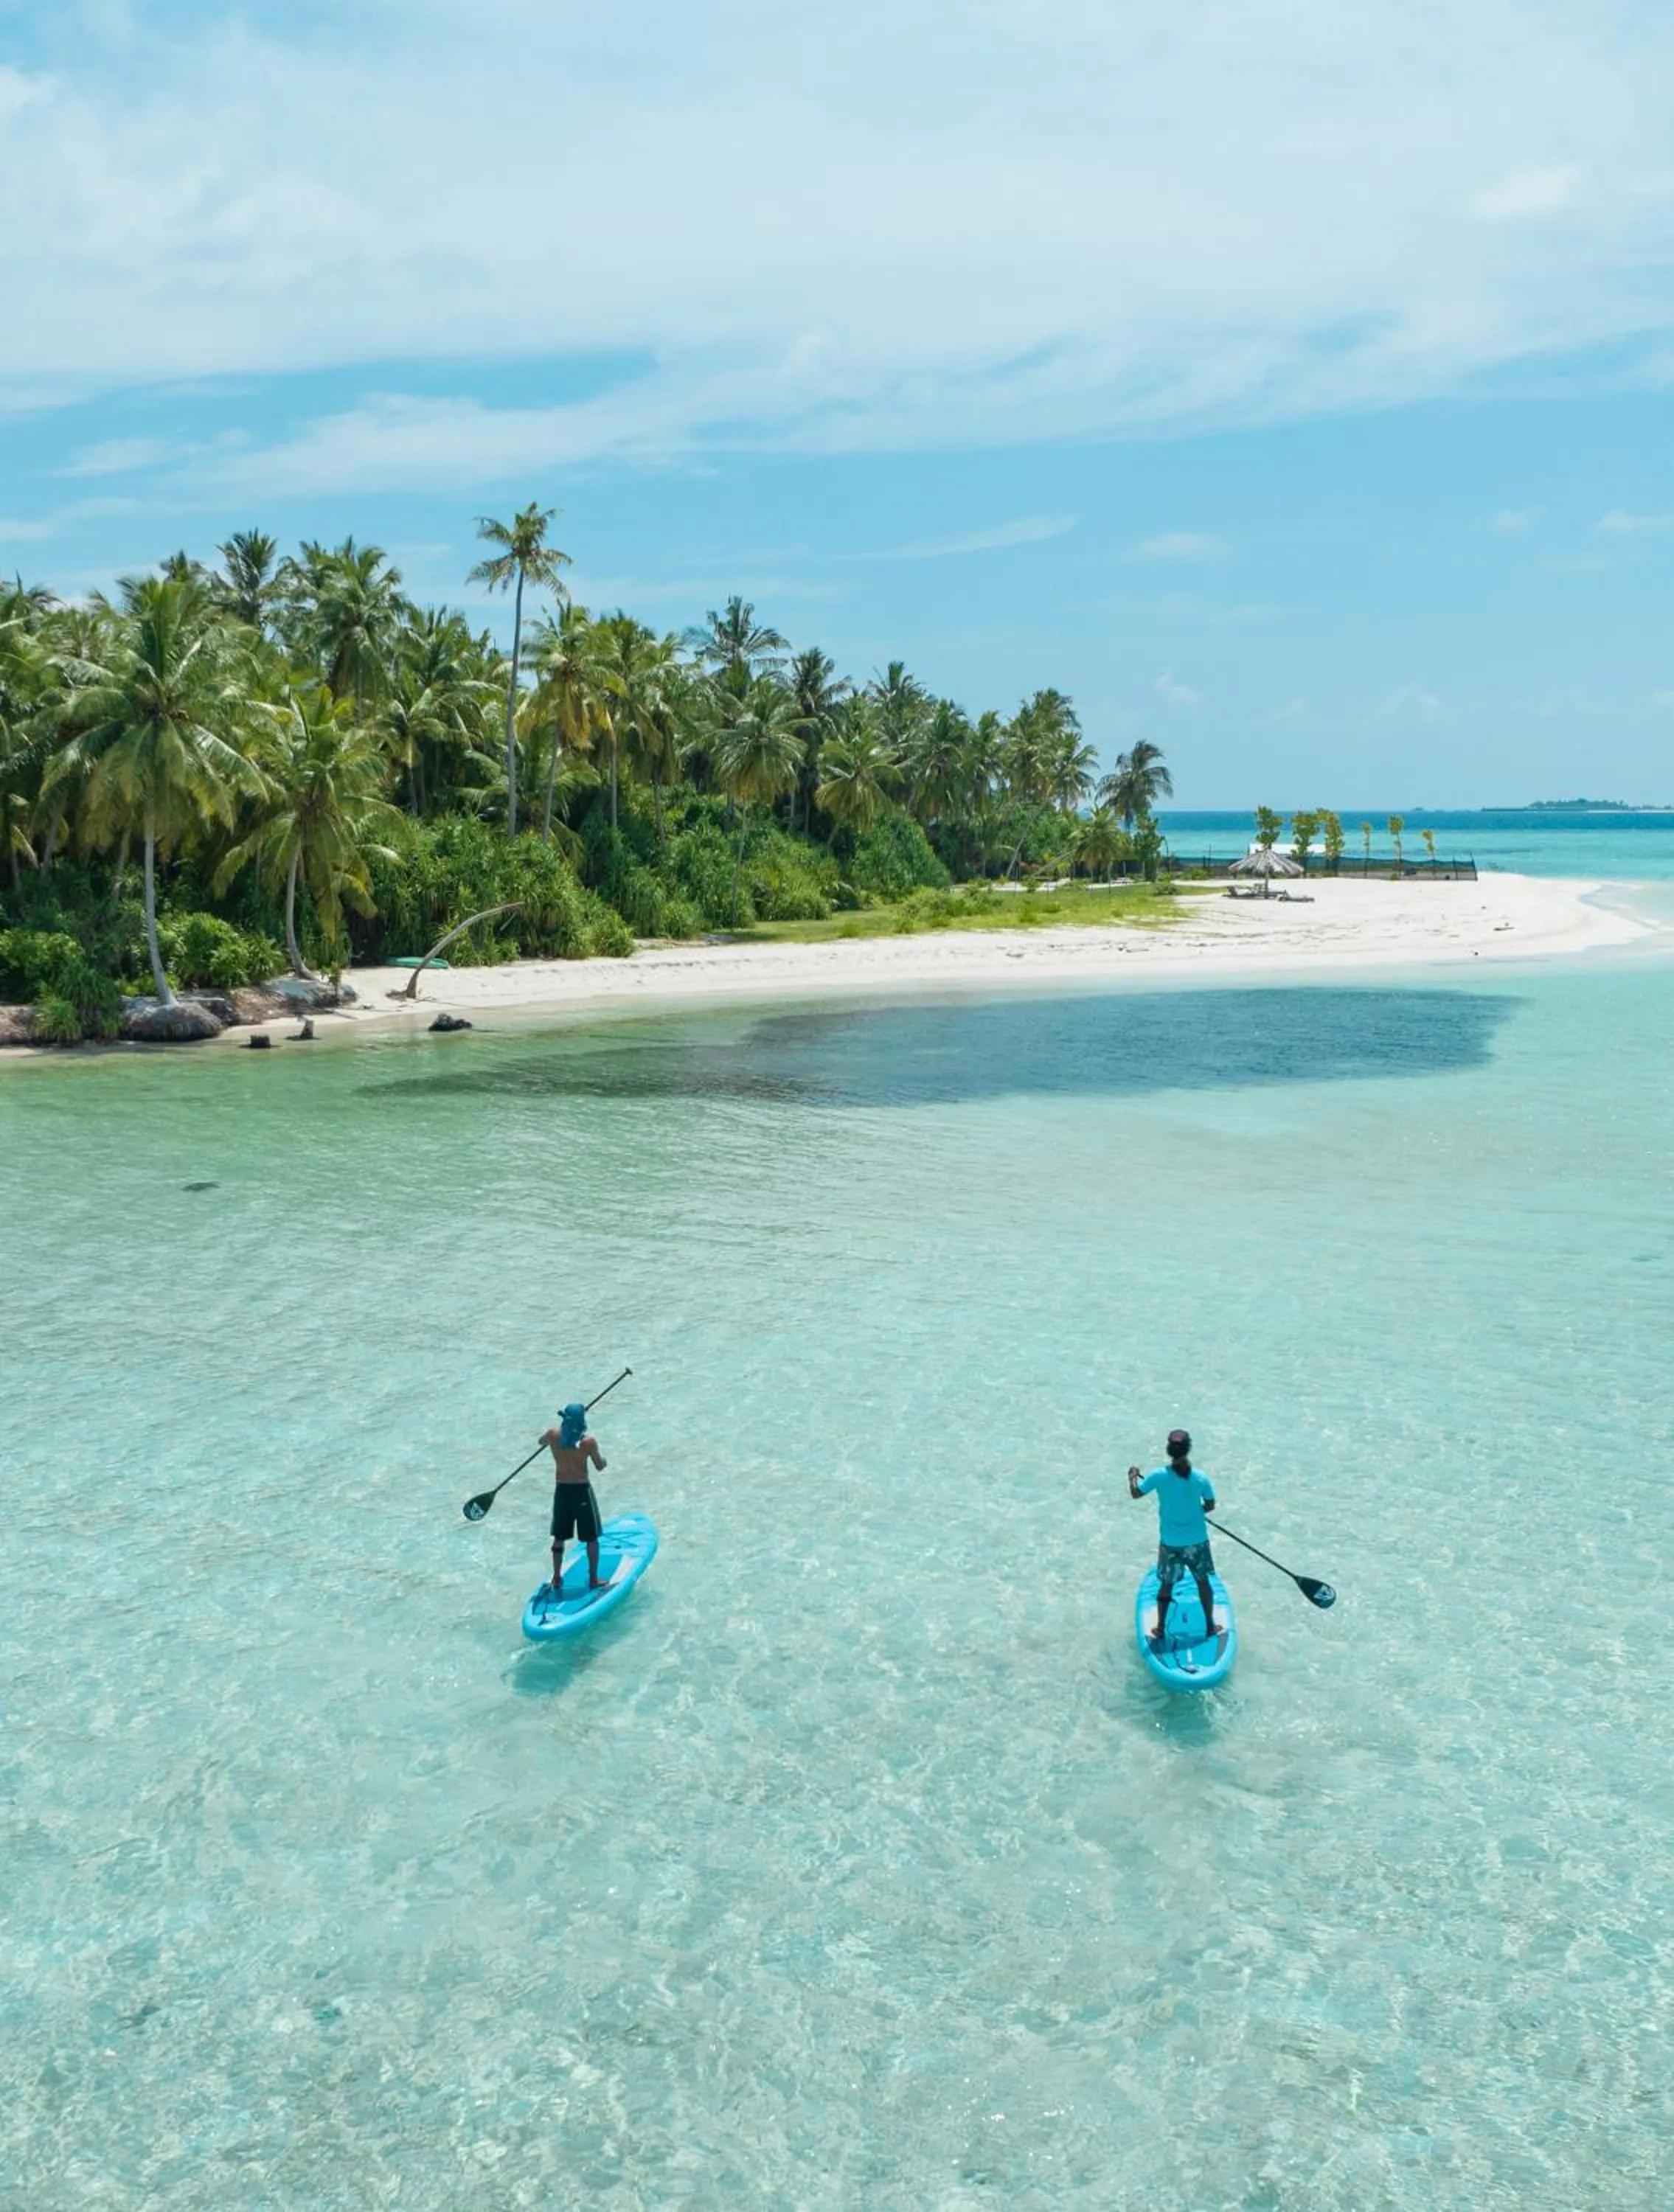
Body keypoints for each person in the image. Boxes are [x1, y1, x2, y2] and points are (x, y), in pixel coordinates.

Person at [1128, 1428, 1223, 1640]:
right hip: (1197, 1541)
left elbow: (1136, 1494)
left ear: (1168, 1450)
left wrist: (1133, 1477)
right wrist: (1197, 1511)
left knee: (1167, 1583)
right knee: (1202, 1582)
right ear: (1189, 1449)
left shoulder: (1158, 1476)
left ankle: (1161, 1628)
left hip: (1170, 1542)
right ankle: (1210, 1626)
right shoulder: (1200, 1478)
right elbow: (1210, 1505)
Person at [541, 1401, 608, 1593]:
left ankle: (556, 1577)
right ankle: (594, 1579)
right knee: (591, 1538)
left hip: (561, 1491)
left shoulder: (552, 1435)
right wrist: (605, 1461)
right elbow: (599, 1466)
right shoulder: (588, 1443)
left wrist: (550, 1441)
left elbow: (541, 1442)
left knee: (559, 1537)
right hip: (581, 1491)